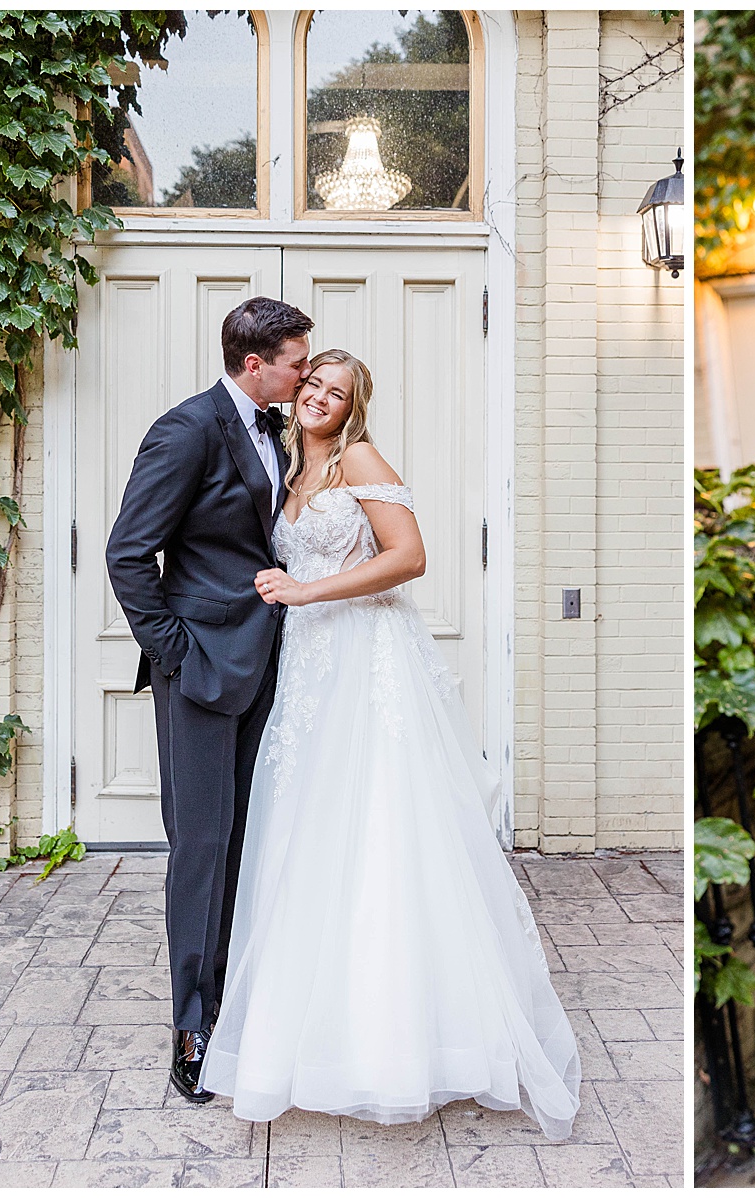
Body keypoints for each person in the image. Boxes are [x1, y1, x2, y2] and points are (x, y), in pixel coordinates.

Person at [195, 349, 582, 1136]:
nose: (319, 398)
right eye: (312, 385)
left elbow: (410, 557)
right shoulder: (282, 463)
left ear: (352, 408)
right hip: (306, 668)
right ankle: (306, 1030)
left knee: (379, 835)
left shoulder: (359, 459)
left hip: (367, 661)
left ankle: (404, 1041)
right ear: (294, 387)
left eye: (336, 393)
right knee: (305, 838)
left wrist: (304, 589)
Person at [106, 296, 313, 1104]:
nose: (306, 371)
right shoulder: (187, 429)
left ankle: (243, 995)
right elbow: (129, 555)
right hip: (200, 672)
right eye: (297, 360)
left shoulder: (282, 429)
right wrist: (179, 656)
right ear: (255, 364)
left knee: (252, 838)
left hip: (271, 664)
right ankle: (192, 1026)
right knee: (201, 845)